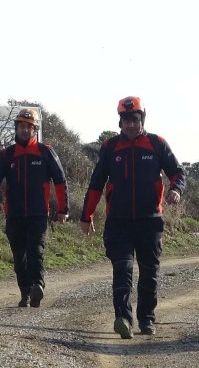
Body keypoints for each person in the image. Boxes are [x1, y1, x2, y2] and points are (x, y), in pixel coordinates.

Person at [79, 96, 186, 339]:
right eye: (126, 120)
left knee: (149, 271)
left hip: (150, 221)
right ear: (120, 122)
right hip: (118, 222)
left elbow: (178, 173)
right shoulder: (110, 147)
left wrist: (176, 189)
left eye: (134, 120)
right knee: (123, 268)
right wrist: (86, 215)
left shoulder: (157, 143)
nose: (130, 125)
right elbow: (96, 183)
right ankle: (123, 319)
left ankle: (146, 319)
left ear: (142, 119)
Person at [0, 108, 68, 307]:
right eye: (22, 126)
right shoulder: (7, 154)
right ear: (16, 128)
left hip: (38, 213)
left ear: (35, 129)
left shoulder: (45, 152)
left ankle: (37, 286)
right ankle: (25, 292)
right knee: (19, 256)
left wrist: (63, 209)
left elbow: (60, 181)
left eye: (29, 127)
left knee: (35, 251)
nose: (25, 130)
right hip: (14, 214)